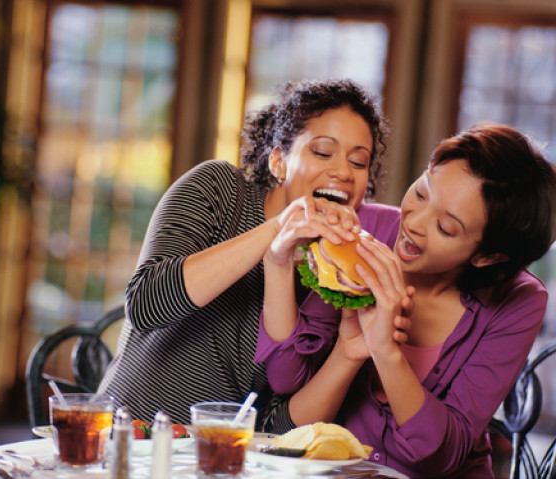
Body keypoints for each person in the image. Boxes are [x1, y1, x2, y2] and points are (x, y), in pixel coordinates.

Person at [96, 78, 403, 426]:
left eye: (358, 162)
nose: (343, 172)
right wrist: (278, 230)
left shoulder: (336, 277)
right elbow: (146, 305)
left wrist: (348, 355)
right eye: (322, 152)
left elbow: (278, 425)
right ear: (278, 162)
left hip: (222, 458)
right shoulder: (220, 190)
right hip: (130, 435)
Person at [257, 124, 556, 478]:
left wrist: (386, 351)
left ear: (487, 256)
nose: (414, 222)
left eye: (446, 228)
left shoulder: (518, 300)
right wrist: (278, 265)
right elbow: (285, 377)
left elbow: (441, 456)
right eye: (422, 192)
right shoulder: (364, 232)